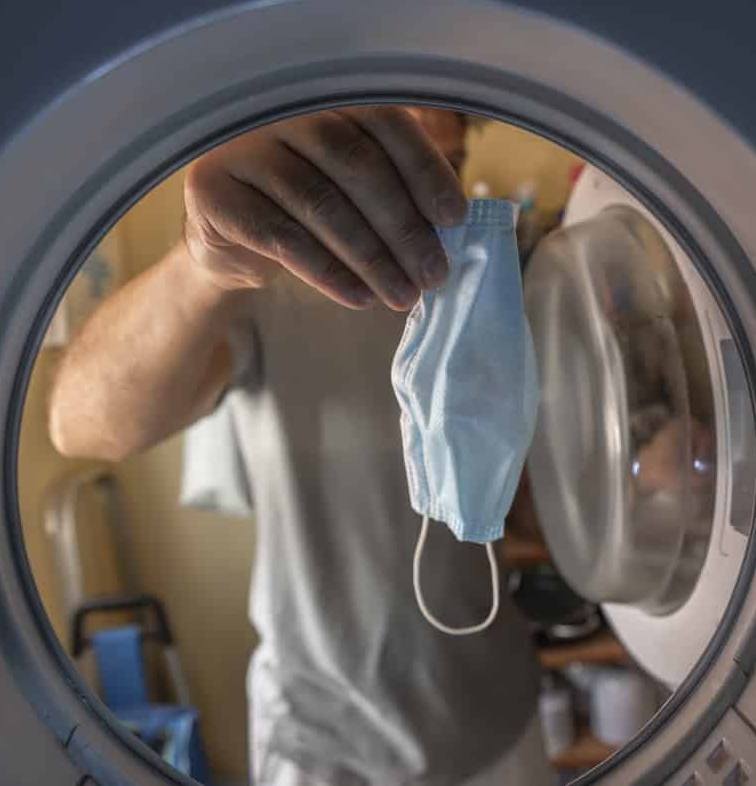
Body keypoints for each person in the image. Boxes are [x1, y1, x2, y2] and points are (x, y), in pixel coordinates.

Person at [49, 106, 549, 785]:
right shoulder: (273, 287)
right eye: (396, 168)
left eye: (445, 169)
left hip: (496, 717)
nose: (430, 204)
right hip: (326, 745)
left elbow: (523, 504)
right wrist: (205, 265)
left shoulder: (491, 293)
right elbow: (84, 425)